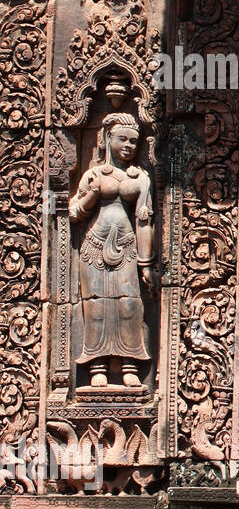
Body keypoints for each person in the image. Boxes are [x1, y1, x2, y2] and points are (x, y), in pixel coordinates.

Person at [70, 109, 155, 388]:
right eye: (123, 139)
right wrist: (94, 193)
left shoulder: (140, 178)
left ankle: (129, 364)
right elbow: (74, 213)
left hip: (127, 246)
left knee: (129, 305)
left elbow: (144, 220)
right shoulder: (93, 174)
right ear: (108, 139)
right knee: (96, 307)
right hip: (94, 246)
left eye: (133, 141)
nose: (129, 146)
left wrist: (145, 262)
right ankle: (97, 368)